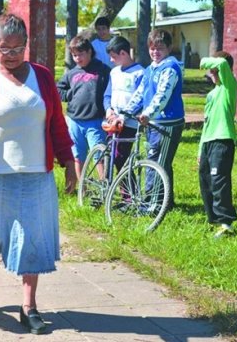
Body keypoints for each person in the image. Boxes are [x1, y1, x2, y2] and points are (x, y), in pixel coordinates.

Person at [0, 14, 77, 334]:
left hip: (36, 174)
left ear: (27, 45)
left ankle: (29, 306)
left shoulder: (44, 77)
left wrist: (69, 161)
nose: (10, 54)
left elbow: (57, 125)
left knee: (31, 242)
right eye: (3, 48)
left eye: (17, 48)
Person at [124, 29, 185, 209]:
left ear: (169, 48)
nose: (155, 52)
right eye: (152, 48)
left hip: (168, 123)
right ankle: (165, 201)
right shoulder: (150, 69)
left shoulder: (170, 68)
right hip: (153, 123)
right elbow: (140, 93)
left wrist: (147, 113)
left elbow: (162, 96)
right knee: (157, 161)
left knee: (158, 163)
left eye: (160, 48)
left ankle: (153, 204)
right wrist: (125, 112)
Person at [57, 34, 110, 180]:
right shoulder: (72, 73)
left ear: (89, 52)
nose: (77, 58)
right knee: (77, 155)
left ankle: (103, 186)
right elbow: (58, 89)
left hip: (95, 120)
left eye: (80, 54)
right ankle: (82, 189)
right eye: (74, 55)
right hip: (75, 120)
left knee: (99, 154)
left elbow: (110, 92)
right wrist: (70, 95)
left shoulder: (103, 70)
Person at [198, 51, 237, 238]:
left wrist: (204, 61)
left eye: (215, 71)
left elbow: (222, 62)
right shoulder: (212, 94)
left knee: (218, 180)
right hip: (208, 142)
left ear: (226, 71)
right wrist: (200, 150)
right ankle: (214, 219)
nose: (213, 74)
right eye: (211, 72)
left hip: (223, 140)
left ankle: (226, 222)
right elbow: (206, 124)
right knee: (206, 180)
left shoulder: (229, 87)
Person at [104, 36, 144, 173]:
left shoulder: (139, 73)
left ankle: (129, 193)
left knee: (121, 158)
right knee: (109, 157)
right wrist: (108, 109)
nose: (111, 60)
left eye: (113, 57)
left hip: (129, 124)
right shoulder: (114, 72)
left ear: (123, 53)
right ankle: (109, 188)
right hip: (112, 121)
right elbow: (107, 94)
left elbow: (140, 100)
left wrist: (123, 116)